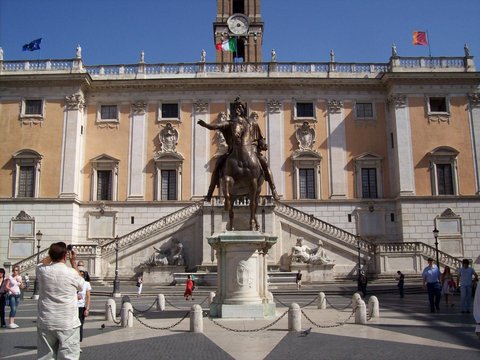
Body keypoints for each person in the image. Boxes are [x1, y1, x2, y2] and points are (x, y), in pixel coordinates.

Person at [36, 242, 85, 359]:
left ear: (51, 255)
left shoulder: (41, 270)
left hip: (46, 321)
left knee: (45, 357)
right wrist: (73, 261)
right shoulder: (71, 273)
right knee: (69, 357)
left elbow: (42, 262)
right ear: (65, 256)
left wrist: (53, 254)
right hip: (68, 323)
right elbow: (82, 285)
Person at [77, 270, 91, 344]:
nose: (81, 276)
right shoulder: (73, 282)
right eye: (80, 274)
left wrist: (87, 309)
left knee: (80, 324)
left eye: (82, 275)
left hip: (81, 307)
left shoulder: (86, 284)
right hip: (72, 306)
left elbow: (88, 297)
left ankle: (79, 341)